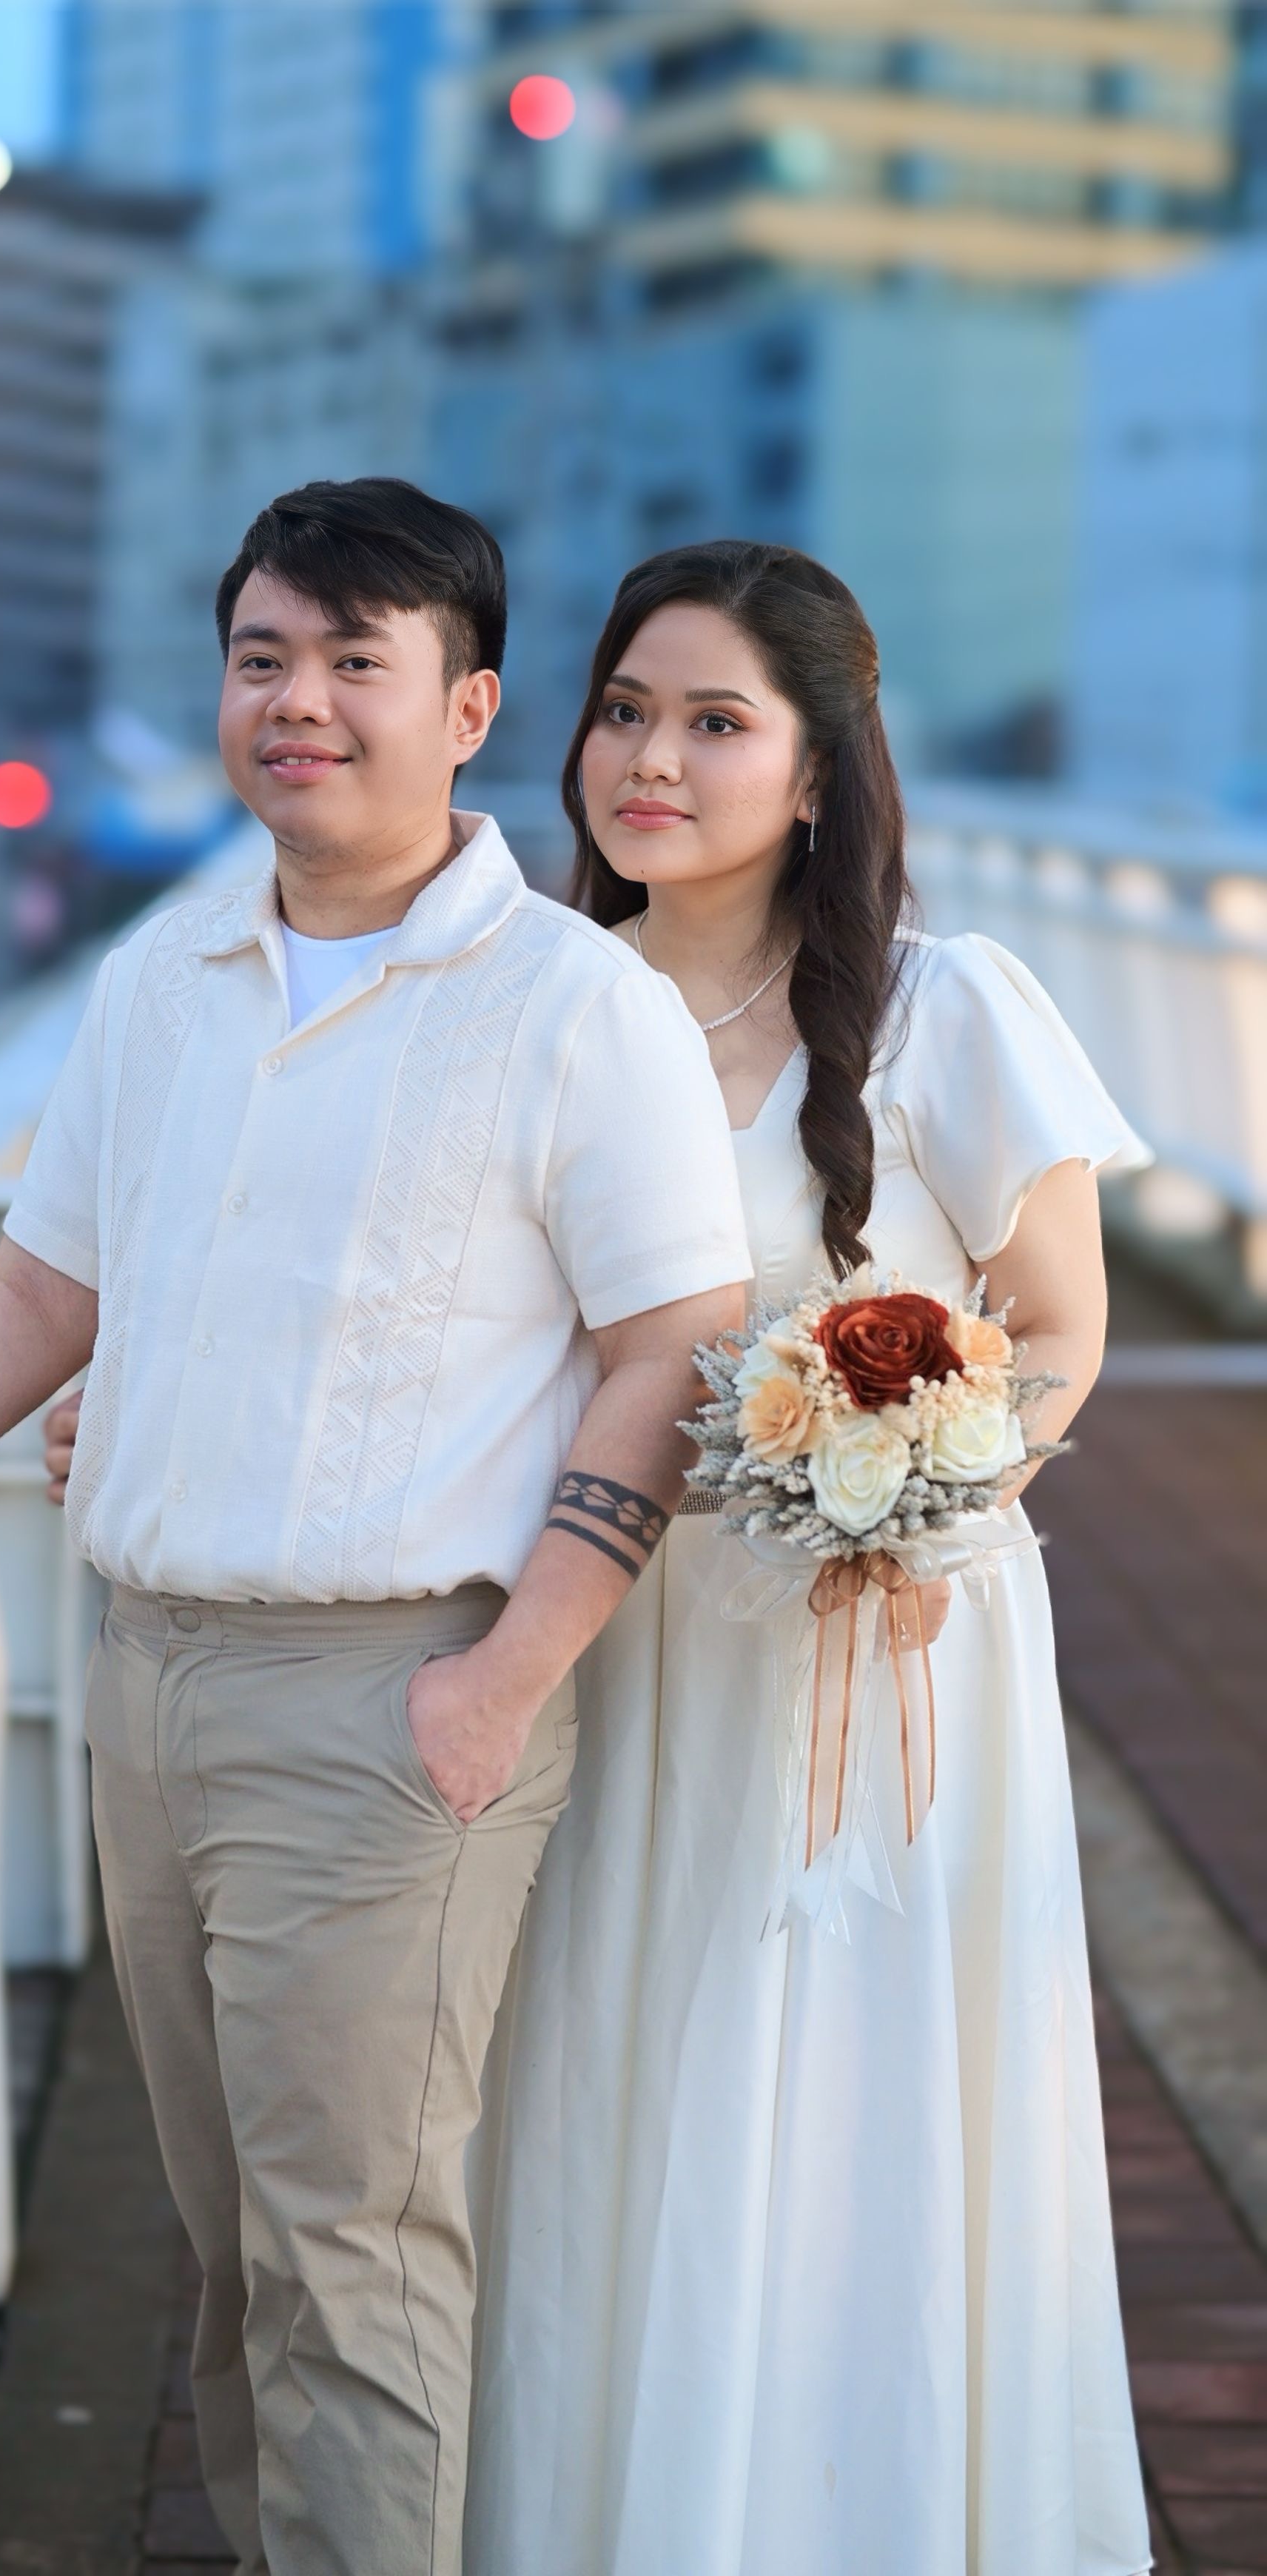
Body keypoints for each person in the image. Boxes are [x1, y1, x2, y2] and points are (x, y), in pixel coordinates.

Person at [0, 480, 752, 2576]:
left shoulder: (576, 1007)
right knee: (234, 2264)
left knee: (352, 2271)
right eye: (260, 660)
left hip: (393, 1699)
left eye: (356, 663)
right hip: (150, 1680)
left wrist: (503, 1678)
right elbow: (44, 1295)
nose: (298, 703)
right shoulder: (166, 976)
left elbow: (675, 1347)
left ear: (469, 707)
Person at [462, 540, 1152, 2576]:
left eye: (714, 721)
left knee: (865, 2091)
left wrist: (920, 1495)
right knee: (610, 2070)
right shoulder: (526, 1003)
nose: (649, 761)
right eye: (622, 710)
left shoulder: (949, 1006)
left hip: (886, 1641)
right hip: (610, 1629)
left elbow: (1061, 1329)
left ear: (822, 769)